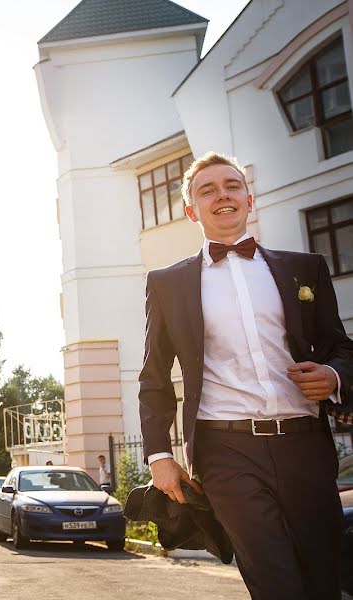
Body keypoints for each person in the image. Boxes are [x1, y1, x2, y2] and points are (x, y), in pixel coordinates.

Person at [138, 151, 353, 599]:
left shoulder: (304, 268)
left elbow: (339, 346)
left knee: (323, 577)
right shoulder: (167, 283)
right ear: (191, 210)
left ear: (249, 200)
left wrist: (333, 375)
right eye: (207, 189)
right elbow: (155, 376)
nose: (223, 195)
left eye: (231, 185)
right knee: (274, 581)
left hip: (304, 444)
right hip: (226, 449)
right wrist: (159, 456)